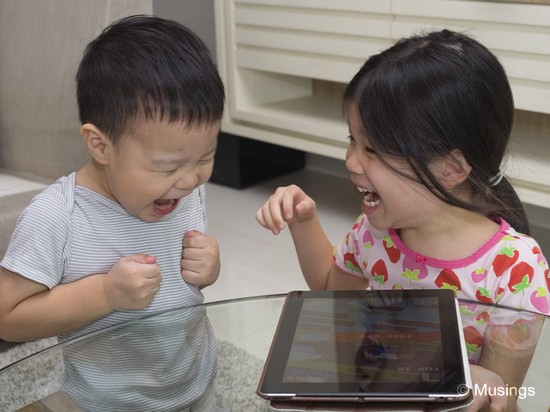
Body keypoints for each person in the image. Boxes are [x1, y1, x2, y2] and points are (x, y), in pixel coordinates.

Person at [256, 29, 549, 411]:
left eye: (373, 149)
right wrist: (303, 221)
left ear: (450, 168)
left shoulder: (515, 271)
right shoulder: (373, 233)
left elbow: (505, 400)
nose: (351, 161)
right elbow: (330, 292)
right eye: (353, 141)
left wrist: (480, 384)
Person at [0, 15, 227, 411]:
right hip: (105, 402)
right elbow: (7, 316)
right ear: (100, 146)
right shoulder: (57, 216)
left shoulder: (183, 190)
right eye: (169, 165)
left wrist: (209, 269)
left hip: (195, 385)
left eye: (206, 157)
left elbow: (182, 289)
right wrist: (104, 293)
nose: (191, 180)